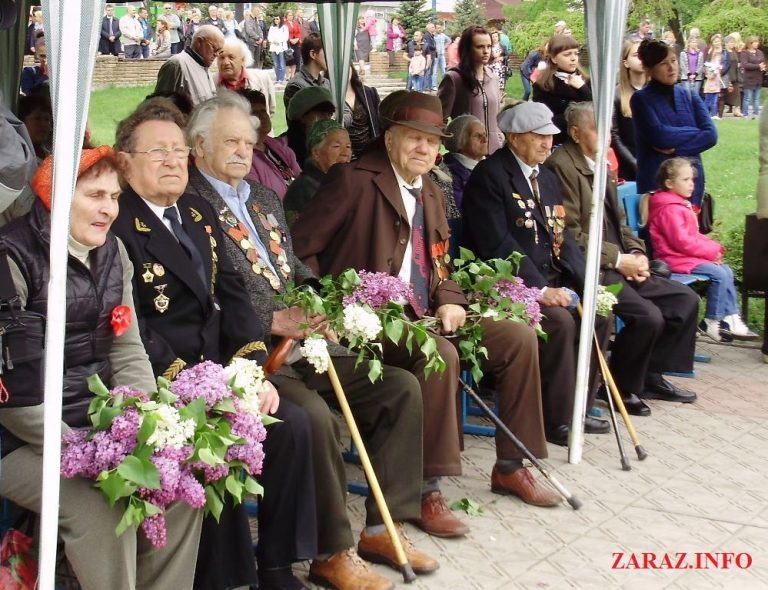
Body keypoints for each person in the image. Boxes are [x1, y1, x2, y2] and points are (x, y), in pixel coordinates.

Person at [186, 94, 433, 589]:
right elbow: (207, 291)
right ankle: (330, 550)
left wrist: (322, 302)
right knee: (313, 419)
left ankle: (386, 525)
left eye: (249, 142)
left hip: (308, 344)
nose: (242, 151)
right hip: (252, 355)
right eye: (229, 141)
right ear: (198, 145)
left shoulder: (263, 197)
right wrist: (274, 318)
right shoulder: (189, 204)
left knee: (399, 387)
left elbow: (295, 268)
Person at [293, 92, 564, 527]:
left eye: (432, 141)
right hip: (365, 321)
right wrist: (323, 308)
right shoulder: (353, 180)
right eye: (413, 138)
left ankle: (513, 465)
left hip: (424, 315)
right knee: (440, 353)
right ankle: (425, 489)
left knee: (517, 335)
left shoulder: (432, 190)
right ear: (389, 140)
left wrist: (451, 300)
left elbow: (440, 264)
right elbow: (300, 249)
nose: (424, 148)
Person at [111, 98, 317, 590]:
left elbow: (236, 305)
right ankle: (223, 579)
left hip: (219, 371)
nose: (172, 161)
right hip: (164, 379)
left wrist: (248, 373)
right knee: (213, 441)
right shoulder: (118, 224)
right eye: (157, 152)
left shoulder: (197, 212)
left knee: (294, 424)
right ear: (125, 162)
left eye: (179, 151)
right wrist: (203, 385)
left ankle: (276, 565)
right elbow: (133, 330)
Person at [0, 146, 203, 590]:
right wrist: (89, 451)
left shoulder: (113, 252)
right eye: (95, 195)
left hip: (94, 428)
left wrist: (145, 427)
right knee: (102, 506)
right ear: (55, 195)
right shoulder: (10, 256)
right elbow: (15, 397)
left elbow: (127, 347)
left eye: (114, 196)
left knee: (177, 488)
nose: (109, 208)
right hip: (18, 437)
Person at [462, 101, 615, 436]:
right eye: (539, 137)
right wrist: (541, 290)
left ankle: (579, 406)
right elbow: (496, 244)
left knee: (599, 313)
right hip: (505, 284)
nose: (548, 143)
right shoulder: (490, 176)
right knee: (558, 322)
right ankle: (553, 418)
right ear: (515, 138)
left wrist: (587, 281)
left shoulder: (545, 176)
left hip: (550, 278)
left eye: (550, 136)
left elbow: (563, 237)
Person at [546, 101, 699, 413]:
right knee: (649, 317)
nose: (608, 135)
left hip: (620, 261)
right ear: (576, 133)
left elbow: (621, 223)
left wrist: (637, 254)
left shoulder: (602, 163)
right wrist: (618, 260)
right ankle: (622, 385)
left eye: (609, 128)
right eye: (598, 128)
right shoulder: (562, 166)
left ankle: (650, 374)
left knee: (685, 301)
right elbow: (570, 235)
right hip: (594, 269)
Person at [647, 157, 758, 342]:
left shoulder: (679, 205)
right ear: (669, 183)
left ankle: (730, 317)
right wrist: (710, 253)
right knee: (719, 274)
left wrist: (715, 249)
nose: (691, 184)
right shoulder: (669, 209)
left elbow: (694, 237)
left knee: (726, 270)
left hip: (685, 257)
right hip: (673, 259)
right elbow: (681, 242)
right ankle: (712, 320)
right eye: (685, 180)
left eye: (692, 180)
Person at [632, 38, 717, 209]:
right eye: (664, 63)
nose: (672, 68)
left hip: (691, 181)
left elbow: (711, 135)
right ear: (649, 68)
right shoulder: (641, 99)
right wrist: (695, 132)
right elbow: (659, 136)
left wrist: (675, 149)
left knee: (689, 232)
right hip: (658, 182)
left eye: (673, 61)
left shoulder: (689, 95)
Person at [438, 25, 504, 155]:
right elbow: (439, 120)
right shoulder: (454, 79)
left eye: (489, 46)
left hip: (496, 152)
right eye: (480, 46)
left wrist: (500, 135)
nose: (486, 51)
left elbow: (498, 114)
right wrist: (456, 143)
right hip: (468, 155)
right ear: (467, 49)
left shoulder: (493, 77)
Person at [284, 119, 352, 224]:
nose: (345, 153)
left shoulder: (347, 181)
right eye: (336, 146)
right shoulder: (302, 189)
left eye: (348, 146)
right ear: (316, 153)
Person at [532, 34, 592, 145]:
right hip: (561, 142)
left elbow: (597, 111)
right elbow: (544, 121)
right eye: (567, 54)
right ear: (554, 59)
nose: (574, 58)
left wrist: (583, 89)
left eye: (576, 53)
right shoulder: (543, 86)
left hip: (587, 141)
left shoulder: (587, 81)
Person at [243, 89, 302, 201]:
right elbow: (259, 199)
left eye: (263, 111)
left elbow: (302, 181)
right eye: (255, 113)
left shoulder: (280, 147)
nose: (263, 117)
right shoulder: (245, 156)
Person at [155, 25, 223, 108]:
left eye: (219, 51)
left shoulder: (205, 67)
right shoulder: (177, 65)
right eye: (214, 48)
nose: (216, 54)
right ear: (199, 42)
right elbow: (160, 106)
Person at [611, 39, 648, 181]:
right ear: (625, 62)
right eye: (636, 55)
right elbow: (615, 136)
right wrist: (633, 162)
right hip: (629, 166)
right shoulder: (617, 94)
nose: (642, 59)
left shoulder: (656, 91)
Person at [216, 37, 276, 116]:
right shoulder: (210, 83)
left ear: (243, 60)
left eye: (231, 57)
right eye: (221, 58)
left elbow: (271, 110)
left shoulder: (262, 78)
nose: (226, 62)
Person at [442, 114, 487, 213]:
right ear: (459, 141)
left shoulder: (492, 165)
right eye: (477, 136)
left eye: (485, 135)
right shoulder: (449, 174)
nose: (484, 140)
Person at [285, 86, 336, 169]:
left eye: (329, 114)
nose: (327, 120)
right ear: (302, 116)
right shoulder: (285, 147)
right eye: (321, 114)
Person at [343, 65, 382, 159]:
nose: (344, 71)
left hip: (370, 153)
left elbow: (380, 122)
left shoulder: (368, 92)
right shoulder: (329, 95)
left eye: (345, 66)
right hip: (344, 156)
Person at [283, 32, 331, 109]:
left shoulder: (326, 83)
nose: (330, 56)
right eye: (326, 52)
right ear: (313, 54)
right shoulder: (295, 86)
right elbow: (310, 118)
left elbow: (346, 111)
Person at [739, 36, 765, 120]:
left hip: (758, 78)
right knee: (747, 98)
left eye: (757, 42)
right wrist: (758, 66)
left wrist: (763, 67)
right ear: (750, 43)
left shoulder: (760, 52)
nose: (757, 43)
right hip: (749, 78)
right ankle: (745, 115)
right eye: (755, 42)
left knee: (756, 98)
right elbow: (745, 65)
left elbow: (763, 62)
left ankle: (756, 114)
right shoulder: (744, 53)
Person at [20, 32, 48, 96]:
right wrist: (47, 74)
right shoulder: (29, 72)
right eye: (43, 56)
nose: (46, 60)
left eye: (50, 56)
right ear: (37, 55)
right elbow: (33, 97)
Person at [723, 35, 742, 117]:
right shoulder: (724, 53)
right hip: (727, 75)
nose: (732, 44)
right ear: (726, 43)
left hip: (735, 75)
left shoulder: (734, 52)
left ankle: (737, 110)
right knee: (724, 94)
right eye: (730, 42)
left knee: (737, 93)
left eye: (733, 42)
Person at [268, 14, 289, 84]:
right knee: (276, 64)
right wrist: (273, 41)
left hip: (281, 48)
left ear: (280, 19)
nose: (276, 20)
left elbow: (286, 37)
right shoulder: (272, 27)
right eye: (274, 19)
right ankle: (278, 78)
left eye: (277, 19)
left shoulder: (284, 27)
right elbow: (269, 37)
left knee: (282, 64)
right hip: (274, 47)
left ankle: (281, 79)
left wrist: (279, 41)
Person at [433, 23, 452, 89]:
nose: (439, 29)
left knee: (444, 70)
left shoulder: (443, 35)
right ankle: (434, 85)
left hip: (442, 55)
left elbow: (449, 40)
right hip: (436, 55)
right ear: (435, 29)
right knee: (434, 71)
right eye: (438, 28)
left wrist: (445, 46)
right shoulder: (434, 36)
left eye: (440, 28)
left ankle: (444, 84)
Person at [285, 10, 302, 78]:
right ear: (286, 16)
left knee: (296, 58)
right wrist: (290, 40)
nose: (291, 16)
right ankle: (287, 76)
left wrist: (297, 39)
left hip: (296, 43)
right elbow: (284, 33)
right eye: (289, 15)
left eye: (291, 15)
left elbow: (299, 32)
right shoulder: (284, 24)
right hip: (288, 43)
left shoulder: (295, 23)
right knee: (289, 59)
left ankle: (293, 75)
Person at [423, 23, 437, 92]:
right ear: (428, 28)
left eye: (433, 27)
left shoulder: (432, 35)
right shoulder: (427, 35)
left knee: (431, 72)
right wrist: (435, 47)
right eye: (432, 27)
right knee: (428, 71)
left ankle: (430, 86)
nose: (433, 28)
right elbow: (428, 45)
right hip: (429, 55)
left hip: (433, 55)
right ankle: (426, 86)